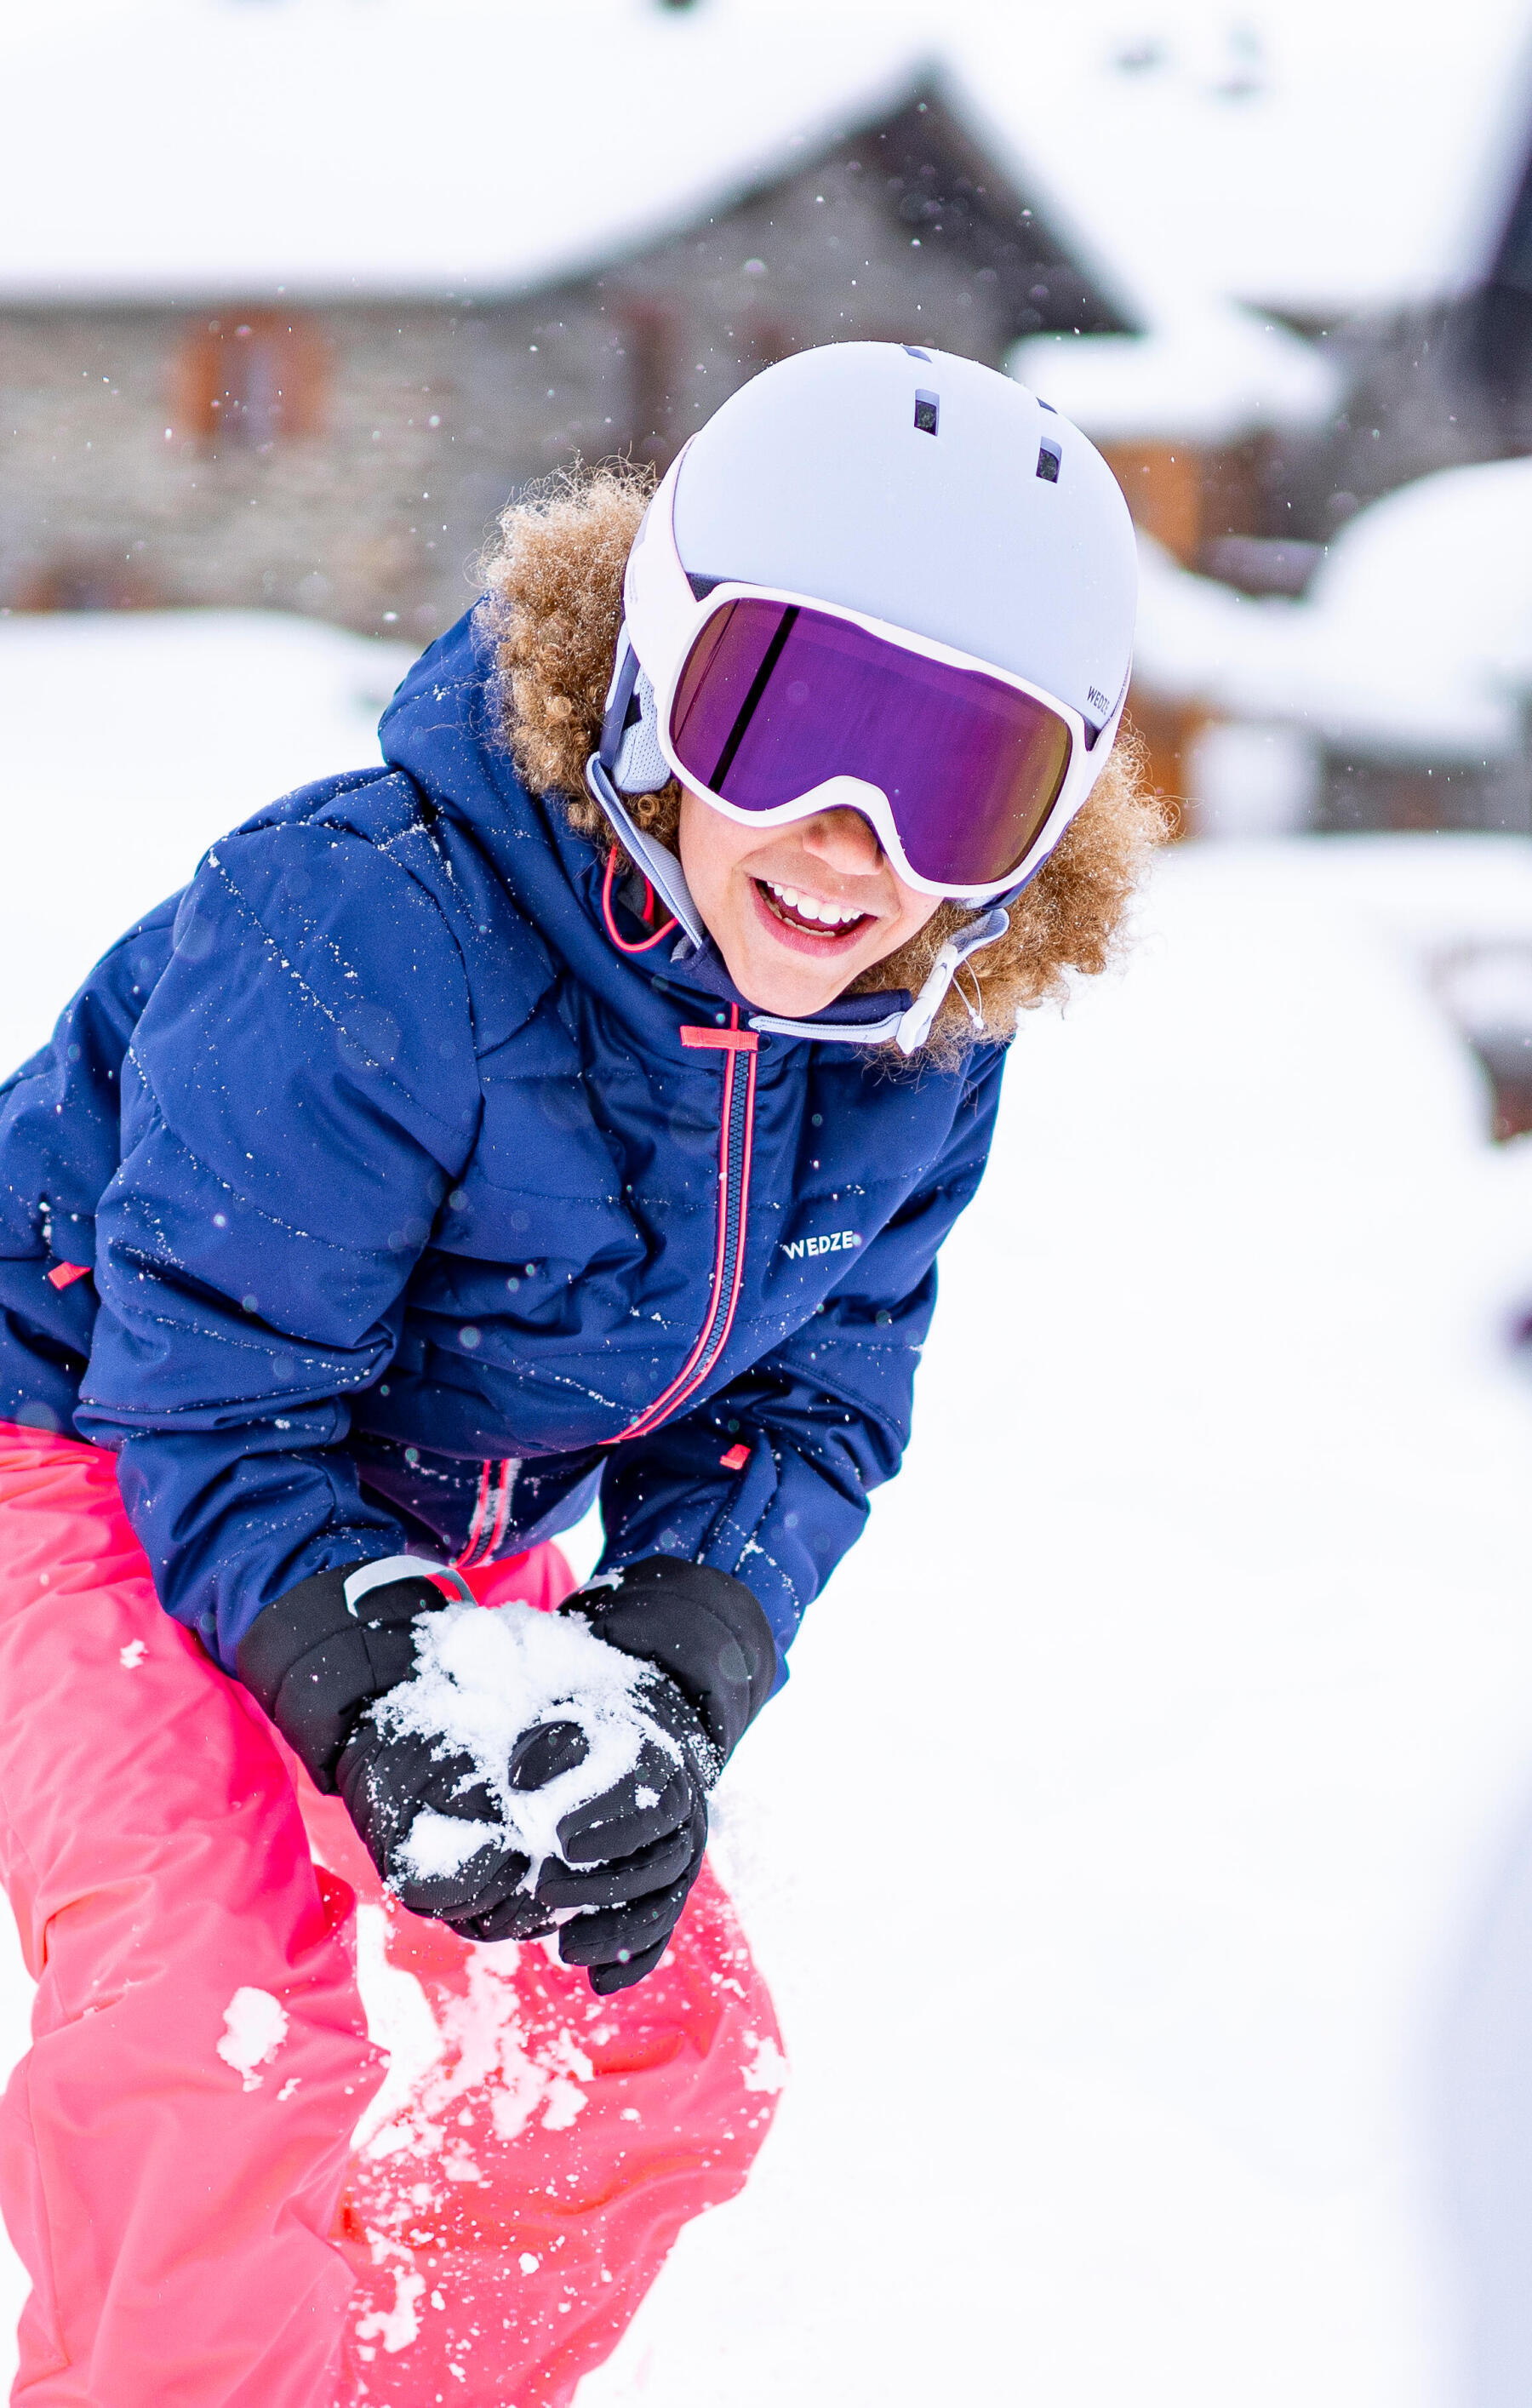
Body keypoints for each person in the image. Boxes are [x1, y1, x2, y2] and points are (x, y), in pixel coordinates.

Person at [0, 342, 1158, 2405]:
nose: (846, 837)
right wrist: (367, 1688)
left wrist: (673, 1651)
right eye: (791, 715)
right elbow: (212, 1396)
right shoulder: (369, 923)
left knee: (649, 2045)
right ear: (651, 672)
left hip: (439, 1510)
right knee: (216, 2031)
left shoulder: (917, 1044)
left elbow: (802, 1399)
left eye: (953, 776)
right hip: (92, 1431)